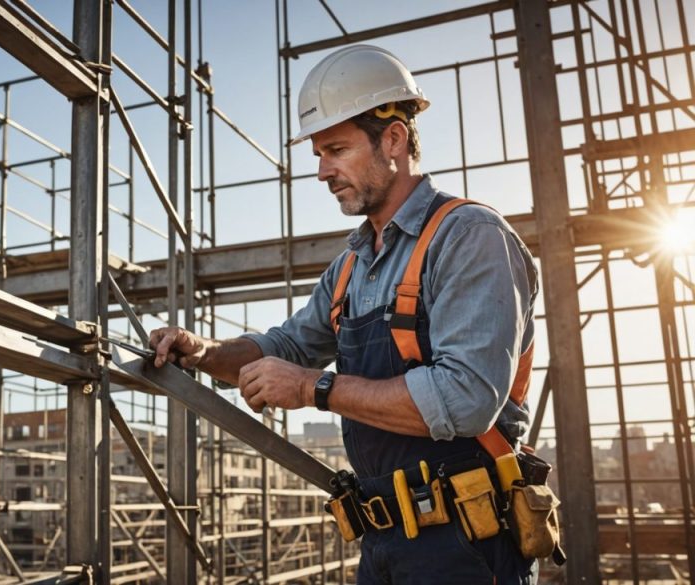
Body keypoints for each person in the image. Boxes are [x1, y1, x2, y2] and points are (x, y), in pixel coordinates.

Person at [149, 45, 541, 583]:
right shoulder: (351, 267)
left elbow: (467, 399)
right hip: (384, 543)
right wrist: (206, 353)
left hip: (466, 547)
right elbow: (284, 347)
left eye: (336, 149)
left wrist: (315, 389)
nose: (321, 171)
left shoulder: (469, 237)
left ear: (394, 139)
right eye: (318, 153)